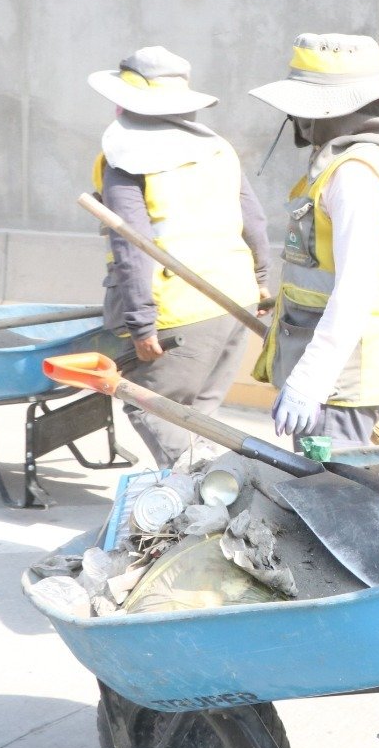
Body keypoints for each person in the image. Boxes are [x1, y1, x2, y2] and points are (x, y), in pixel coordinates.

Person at [88, 46, 270, 469]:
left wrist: (141, 323)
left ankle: (204, 499)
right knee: (199, 420)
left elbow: (131, 246)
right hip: (235, 301)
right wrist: (260, 281)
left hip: (178, 316)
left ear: (123, 102)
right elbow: (255, 222)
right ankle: (210, 507)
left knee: (153, 407)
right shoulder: (218, 149)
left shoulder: (124, 160)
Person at [248, 33, 379, 448]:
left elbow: (355, 290)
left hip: (340, 377)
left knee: (331, 499)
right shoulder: (347, 162)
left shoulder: (355, 174)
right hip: (335, 365)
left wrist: (310, 382)